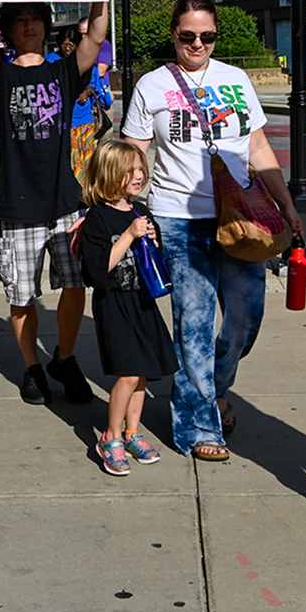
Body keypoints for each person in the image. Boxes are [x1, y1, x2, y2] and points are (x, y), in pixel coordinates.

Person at [123, 0, 303, 462]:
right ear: (173, 35)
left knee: (246, 317)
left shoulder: (235, 79)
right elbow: (134, 152)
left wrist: (287, 205)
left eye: (207, 36)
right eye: (188, 36)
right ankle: (199, 423)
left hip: (242, 219)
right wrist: (123, 209)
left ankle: (215, 387)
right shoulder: (153, 86)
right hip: (179, 218)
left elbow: (257, 148)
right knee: (194, 325)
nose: (198, 44)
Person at [0, 0, 114, 405]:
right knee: (21, 294)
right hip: (18, 203)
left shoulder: (63, 69)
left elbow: (95, 36)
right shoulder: (1, 76)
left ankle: (65, 356)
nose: (30, 26)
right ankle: (32, 367)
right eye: (22, 21)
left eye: (37, 19)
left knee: (75, 285)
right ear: (11, 30)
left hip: (65, 201)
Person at [80, 139, 178, 476]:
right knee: (129, 372)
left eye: (140, 170)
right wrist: (128, 236)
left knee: (143, 374)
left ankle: (133, 432)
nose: (138, 176)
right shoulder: (97, 218)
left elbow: (154, 256)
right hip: (115, 304)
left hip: (142, 300)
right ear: (109, 174)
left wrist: (151, 240)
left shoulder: (141, 211)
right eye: (129, 172)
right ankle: (112, 436)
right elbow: (97, 269)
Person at [46, 27, 112, 183]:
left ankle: (88, 189)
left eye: (71, 45)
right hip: (64, 120)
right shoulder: (51, 60)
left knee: (88, 156)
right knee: (73, 159)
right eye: (64, 45)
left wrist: (87, 92)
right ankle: (77, 190)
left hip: (85, 117)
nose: (67, 49)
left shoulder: (84, 59)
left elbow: (95, 81)